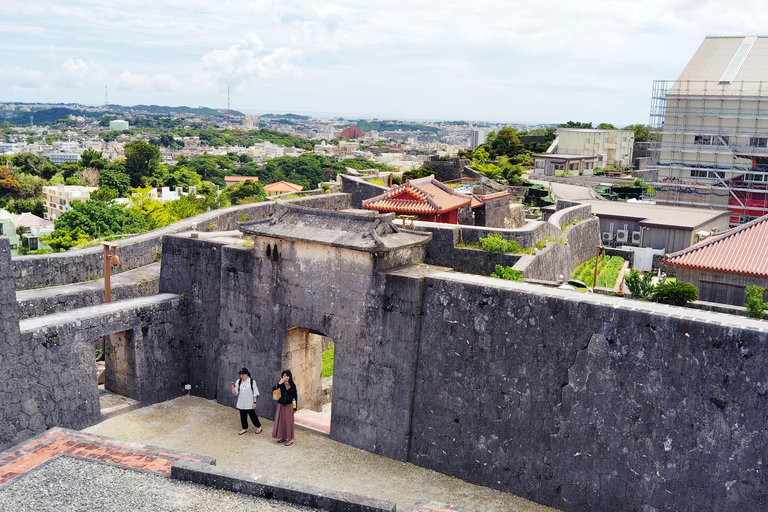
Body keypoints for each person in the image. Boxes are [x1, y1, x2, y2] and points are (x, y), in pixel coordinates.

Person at [231, 367, 262, 435]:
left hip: (249, 402)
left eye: (243, 374)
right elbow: (236, 392)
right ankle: (244, 428)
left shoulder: (252, 382)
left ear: (246, 374)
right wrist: (233, 388)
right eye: (240, 374)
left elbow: (255, 393)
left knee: (252, 415)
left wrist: (254, 402)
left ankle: (258, 426)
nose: (241, 376)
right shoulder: (238, 382)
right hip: (241, 402)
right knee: (243, 415)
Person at [272, 369, 297, 446]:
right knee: (281, 421)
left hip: (289, 405)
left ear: (290, 376)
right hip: (281, 405)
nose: (285, 377)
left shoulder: (293, 385)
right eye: (284, 375)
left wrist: (295, 407)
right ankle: (283, 436)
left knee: (288, 422)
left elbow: (295, 397)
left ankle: (290, 438)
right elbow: (274, 389)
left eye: (287, 375)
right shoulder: (280, 385)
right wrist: (280, 382)